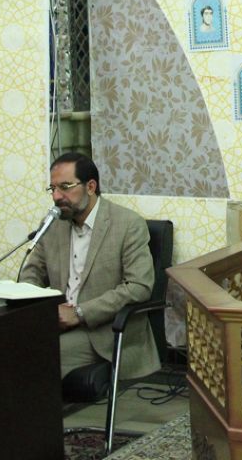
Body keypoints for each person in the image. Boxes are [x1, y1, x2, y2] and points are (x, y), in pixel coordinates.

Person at [19, 152, 159, 380]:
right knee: (3, 344)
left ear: (91, 187)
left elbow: (139, 287)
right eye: (52, 188)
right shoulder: (53, 224)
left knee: (39, 355)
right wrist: (41, 309)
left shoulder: (127, 224)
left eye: (65, 187)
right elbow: (32, 273)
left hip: (103, 330)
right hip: (58, 322)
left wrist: (79, 313)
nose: (56, 196)